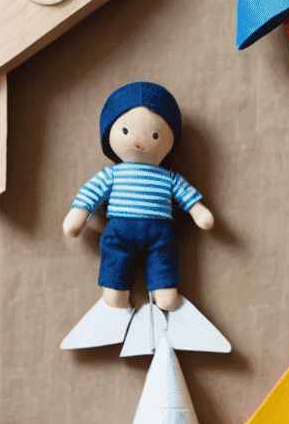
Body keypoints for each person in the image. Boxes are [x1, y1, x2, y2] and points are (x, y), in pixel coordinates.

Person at [64, 80, 214, 316]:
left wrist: (199, 211)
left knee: (163, 260)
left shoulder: (168, 178)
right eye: (125, 131)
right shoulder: (113, 174)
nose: (141, 142)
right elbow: (90, 194)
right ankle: (116, 294)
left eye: (156, 135)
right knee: (116, 258)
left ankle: (164, 292)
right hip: (120, 232)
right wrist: (78, 217)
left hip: (160, 235)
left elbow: (187, 196)